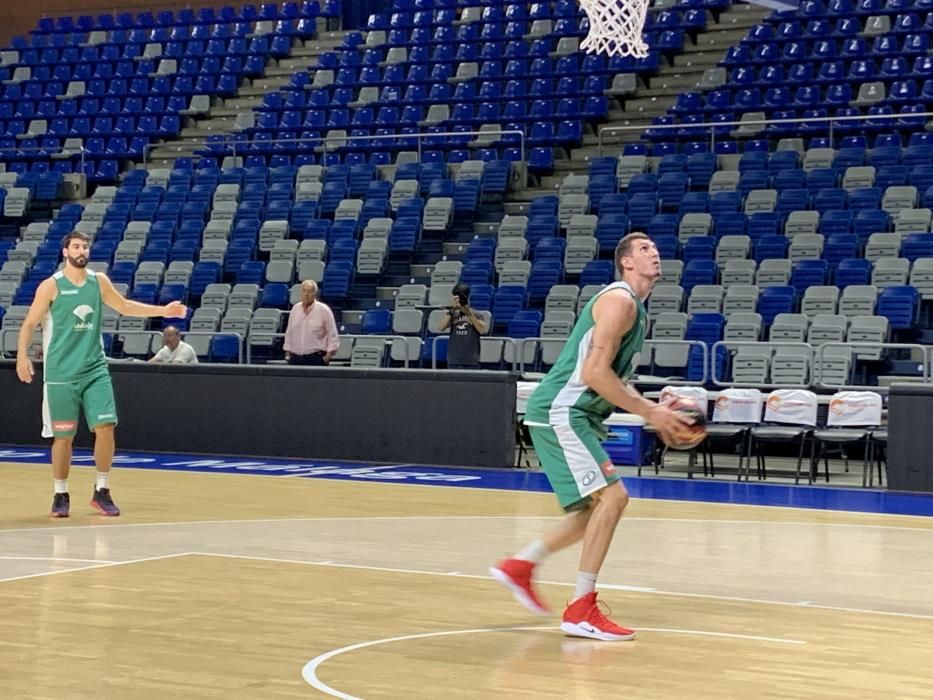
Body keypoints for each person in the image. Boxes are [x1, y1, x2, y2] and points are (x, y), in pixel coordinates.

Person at [489, 232, 691, 641]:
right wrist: (649, 411)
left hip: (571, 412)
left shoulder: (635, 307)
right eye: (644, 249)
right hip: (563, 411)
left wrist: (652, 401)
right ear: (626, 263)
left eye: (656, 247)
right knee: (614, 498)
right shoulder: (618, 301)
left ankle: (521, 565)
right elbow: (594, 375)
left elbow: (608, 375)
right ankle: (581, 608)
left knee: (592, 511)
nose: (655, 253)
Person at [15, 231, 188, 518]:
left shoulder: (98, 282)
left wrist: (163, 310)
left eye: (85, 246)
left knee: (105, 427)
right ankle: (60, 493)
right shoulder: (51, 286)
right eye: (76, 246)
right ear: (65, 252)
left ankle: (102, 490)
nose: (82, 250)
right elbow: (29, 323)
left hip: (94, 368)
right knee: (63, 437)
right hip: (61, 373)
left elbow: (125, 306)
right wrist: (22, 356)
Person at [283, 279, 339, 366]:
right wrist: (287, 354)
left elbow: (332, 335)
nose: (306, 294)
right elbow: (289, 332)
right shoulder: (295, 309)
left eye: (309, 291)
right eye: (304, 291)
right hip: (295, 358)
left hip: (316, 358)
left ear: (315, 294)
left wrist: (327, 357)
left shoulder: (324, 310)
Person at [438, 283, 488, 369]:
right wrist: (451, 310)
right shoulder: (453, 314)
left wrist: (468, 313)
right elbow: (441, 327)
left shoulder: (477, 314)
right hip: (454, 358)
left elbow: (482, 330)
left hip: (471, 359)